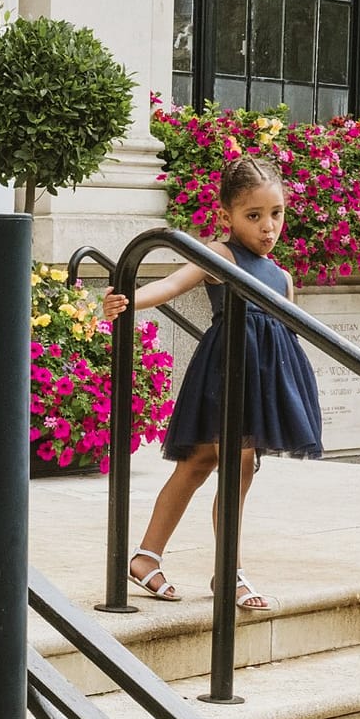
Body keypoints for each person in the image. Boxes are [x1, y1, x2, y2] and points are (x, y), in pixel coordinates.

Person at [102, 155, 324, 611]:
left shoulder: (282, 277)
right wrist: (125, 299)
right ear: (227, 217)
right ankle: (228, 573)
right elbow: (170, 285)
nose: (268, 227)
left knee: (200, 462)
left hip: (260, 382)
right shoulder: (221, 255)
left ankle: (146, 556)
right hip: (226, 373)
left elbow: (289, 335)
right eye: (254, 215)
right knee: (236, 468)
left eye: (277, 214)